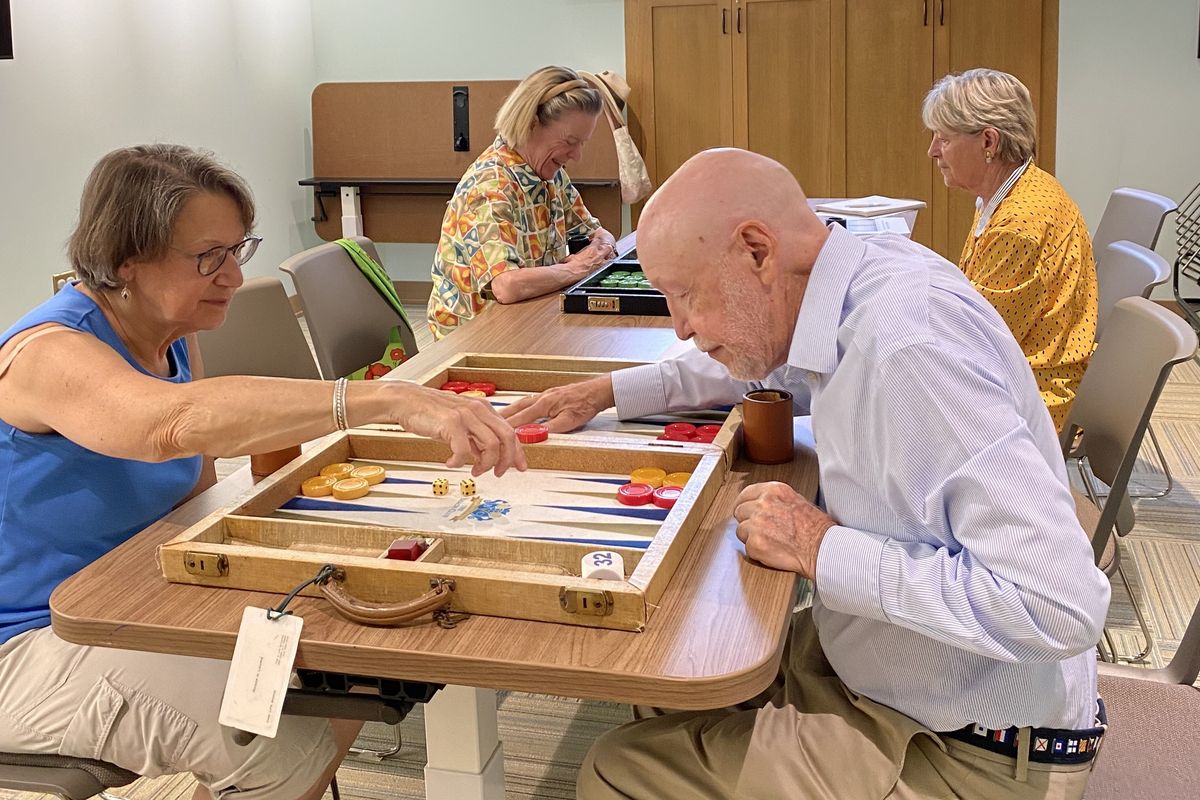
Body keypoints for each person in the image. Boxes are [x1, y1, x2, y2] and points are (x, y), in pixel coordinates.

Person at [503, 148, 1111, 800]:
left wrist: (821, 547)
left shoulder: (912, 352)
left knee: (615, 773)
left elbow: (1060, 605)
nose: (680, 328)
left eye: (686, 297)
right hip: (906, 677)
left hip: (970, 748)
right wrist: (610, 392)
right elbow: (763, 362)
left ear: (757, 253)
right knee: (679, 668)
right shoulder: (853, 282)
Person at [0, 144, 525, 799]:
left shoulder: (169, 330)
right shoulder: (46, 353)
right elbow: (167, 425)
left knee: (361, 657)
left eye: (236, 251)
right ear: (124, 260)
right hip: (32, 642)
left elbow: (196, 491)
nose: (230, 276)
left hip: (134, 597)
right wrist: (386, 399)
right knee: (278, 748)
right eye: (207, 258)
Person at [925, 68, 1097, 432]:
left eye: (943, 138)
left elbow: (977, 346)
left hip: (1032, 396)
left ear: (988, 142)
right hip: (1018, 372)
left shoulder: (1020, 224)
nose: (933, 151)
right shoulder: (1008, 192)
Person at [427, 65, 619, 340]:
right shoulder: (490, 188)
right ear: (531, 124)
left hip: (529, 321)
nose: (576, 155)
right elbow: (507, 285)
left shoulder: (550, 175)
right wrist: (576, 268)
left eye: (582, 143)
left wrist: (603, 246)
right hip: (474, 341)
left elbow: (594, 232)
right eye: (570, 141)